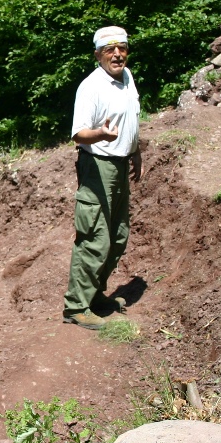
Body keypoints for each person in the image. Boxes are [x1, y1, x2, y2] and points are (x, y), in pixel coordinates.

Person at [63, 26, 143, 330]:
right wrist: (101, 134)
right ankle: (76, 306)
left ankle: (95, 296)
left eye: (122, 48)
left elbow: (132, 117)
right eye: (110, 49)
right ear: (98, 54)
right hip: (97, 166)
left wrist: (136, 151)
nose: (118, 54)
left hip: (120, 165)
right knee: (95, 238)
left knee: (118, 235)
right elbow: (78, 133)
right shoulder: (91, 86)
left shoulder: (127, 77)